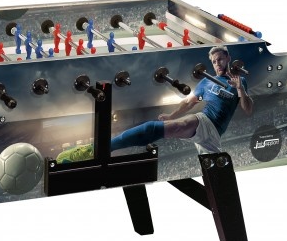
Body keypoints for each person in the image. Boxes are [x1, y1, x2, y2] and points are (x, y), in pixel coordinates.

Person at [56, 45, 253, 162]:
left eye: (220, 60)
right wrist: (171, 116)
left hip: (214, 135)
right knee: (169, 126)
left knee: (215, 172)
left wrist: (240, 90)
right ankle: (99, 148)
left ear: (228, 58)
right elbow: (188, 103)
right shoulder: (206, 82)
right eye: (214, 61)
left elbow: (248, 109)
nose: (217, 64)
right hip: (205, 121)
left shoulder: (239, 81)